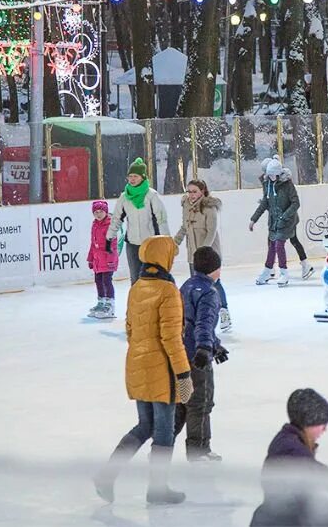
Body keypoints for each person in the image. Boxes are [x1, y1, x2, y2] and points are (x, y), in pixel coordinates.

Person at [94, 236, 194, 505]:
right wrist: (184, 374)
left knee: (145, 425)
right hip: (162, 369)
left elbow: (129, 329)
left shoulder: (137, 287)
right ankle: (157, 489)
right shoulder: (168, 291)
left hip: (137, 364)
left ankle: (107, 474)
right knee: (163, 431)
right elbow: (171, 338)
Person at [250, 389, 328, 527]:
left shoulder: (289, 442)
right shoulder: (291, 448)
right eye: (321, 422)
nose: (325, 428)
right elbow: (313, 473)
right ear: (307, 421)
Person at [175, 246, 229, 461]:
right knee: (201, 402)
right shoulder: (209, 292)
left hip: (181, 353)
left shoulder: (186, 286)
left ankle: (196, 448)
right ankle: (198, 451)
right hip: (197, 357)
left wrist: (215, 345)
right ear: (214, 270)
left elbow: (188, 322)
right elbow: (203, 325)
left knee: (185, 401)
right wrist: (205, 348)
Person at [174, 180, 231, 332]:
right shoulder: (186, 206)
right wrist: (174, 243)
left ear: (202, 191)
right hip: (193, 253)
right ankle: (199, 316)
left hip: (209, 255)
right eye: (189, 191)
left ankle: (223, 310)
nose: (191, 195)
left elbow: (211, 232)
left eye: (194, 191)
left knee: (213, 284)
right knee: (196, 285)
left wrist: (203, 251)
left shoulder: (208, 208)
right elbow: (184, 227)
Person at [107, 157, 169, 284]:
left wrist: (166, 240)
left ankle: (152, 303)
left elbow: (161, 219)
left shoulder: (151, 195)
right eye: (130, 176)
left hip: (151, 243)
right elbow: (116, 219)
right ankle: (137, 303)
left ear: (143, 177)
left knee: (153, 277)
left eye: (135, 176)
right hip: (132, 243)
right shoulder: (124, 197)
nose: (132, 179)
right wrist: (109, 237)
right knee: (135, 278)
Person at [258, 156, 313, 280]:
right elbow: (269, 197)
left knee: (283, 242)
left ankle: (300, 265)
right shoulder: (267, 179)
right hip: (279, 219)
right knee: (281, 241)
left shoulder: (283, 180)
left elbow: (291, 201)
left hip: (287, 219)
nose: (265, 174)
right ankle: (272, 268)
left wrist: (283, 216)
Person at [250, 157, 301, 287]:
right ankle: (267, 271)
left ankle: (284, 272)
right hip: (274, 221)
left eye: (273, 174)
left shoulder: (288, 185)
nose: (271, 177)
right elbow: (265, 203)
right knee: (272, 246)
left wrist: (284, 216)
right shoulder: (268, 184)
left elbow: (296, 203)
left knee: (279, 245)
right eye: (269, 174)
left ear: (278, 174)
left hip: (287, 221)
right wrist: (253, 219)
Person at [87, 200, 121, 319]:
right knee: (98, 281)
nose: (98, 214)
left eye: (101, 211)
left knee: (107, 281)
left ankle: (110, 305)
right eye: (96, 212)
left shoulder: (110, 225)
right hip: (97, 259)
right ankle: (101, 302)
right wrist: (90, 258)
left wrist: (111, 260)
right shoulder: (95, 224)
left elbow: (113, 244)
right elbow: (93, 243)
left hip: (107, 259)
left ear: (106, 212)